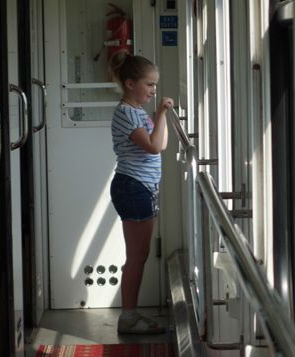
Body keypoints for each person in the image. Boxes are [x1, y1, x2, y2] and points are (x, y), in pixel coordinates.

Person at [108, 52, 174, 334]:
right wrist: (159, 113)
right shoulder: (126, 113)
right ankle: (129, 318)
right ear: (130, 83)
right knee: (137, 256)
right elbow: (153, 146)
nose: (153, 90)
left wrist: (160, 116)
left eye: (155, 86)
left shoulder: (138, 112)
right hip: (133, 187)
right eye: (149, 84)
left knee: (140, 254)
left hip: (140, 188)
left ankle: (130, 315)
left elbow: (162, 143)